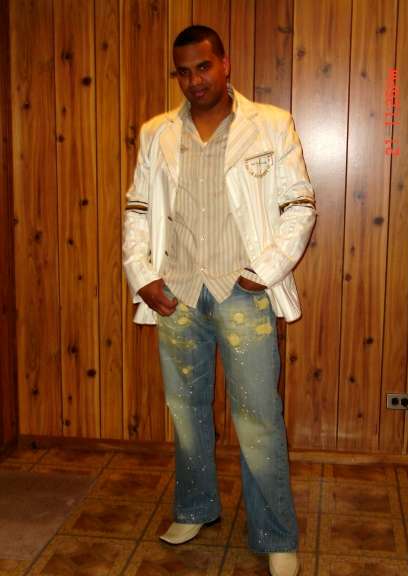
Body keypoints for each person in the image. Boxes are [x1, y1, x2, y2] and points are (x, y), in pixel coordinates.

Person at [123, 24, 316, 576]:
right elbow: (138, 208)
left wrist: (267, 269)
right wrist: (142, 275)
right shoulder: (157, 133)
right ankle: (194, 508)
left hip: (243, 294)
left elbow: (300, 204)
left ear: (225, 64)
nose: (194, 80)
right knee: (186, 413)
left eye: (203, 67)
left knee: (258, 418)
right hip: (176, 294)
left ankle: (275, 534)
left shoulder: (271, 124)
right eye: (183, 72)